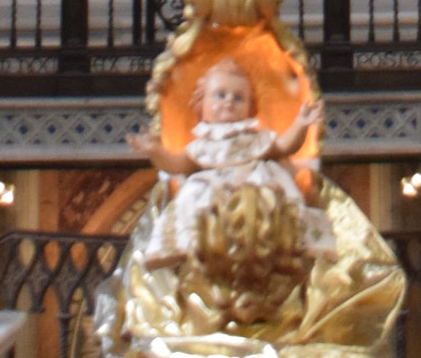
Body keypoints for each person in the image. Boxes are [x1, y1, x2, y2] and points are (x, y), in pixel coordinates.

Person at [131, 56, 333, 263]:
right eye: (220, 95)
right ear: (202, 102)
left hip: (255, 185)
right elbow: (177, 165)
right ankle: (185, 244)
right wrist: (155, 151)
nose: (229, 101)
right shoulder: (202, 145)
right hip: (213, 191)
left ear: (250, 106)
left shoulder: (256, 139)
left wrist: (301, 124)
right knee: (190, 196)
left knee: (276, 198)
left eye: (238, 98)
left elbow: (284, 146)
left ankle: (291, 240)